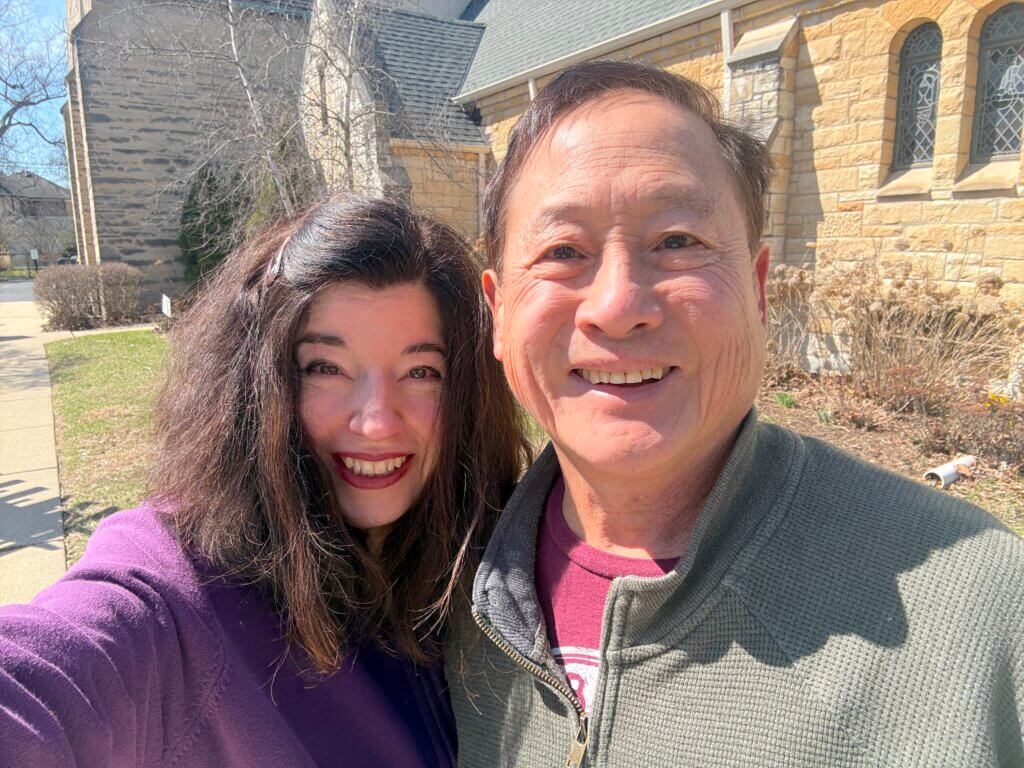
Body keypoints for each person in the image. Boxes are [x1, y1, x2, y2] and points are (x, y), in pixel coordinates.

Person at [446, 59, 1024, 767]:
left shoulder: (983, 611)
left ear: (757, 289)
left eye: (677, 242)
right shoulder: (436, 599)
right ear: (499, 311)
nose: (619, 306)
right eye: (563, 251)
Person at [0, 196, 528, 767]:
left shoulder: (499, 559)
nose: (376, 422)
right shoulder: (179, 596)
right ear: (260, 384)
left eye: (421, 371)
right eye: (325, 368)